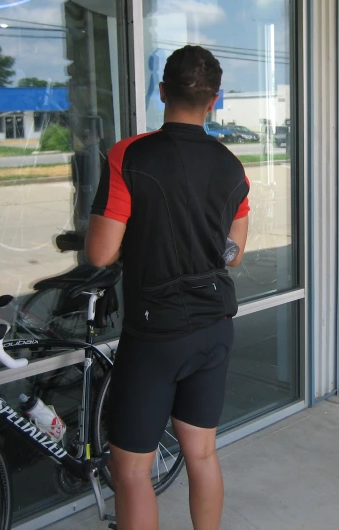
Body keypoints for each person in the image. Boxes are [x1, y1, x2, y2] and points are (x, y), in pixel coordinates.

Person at [86, 45, 249, 530]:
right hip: (214, 327)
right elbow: (233, 251)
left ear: (162, 91)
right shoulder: (230, 165)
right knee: (201, 454)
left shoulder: (130, 154)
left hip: (156, 334)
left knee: (131, 469)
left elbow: (100, 253)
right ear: (214, 100)